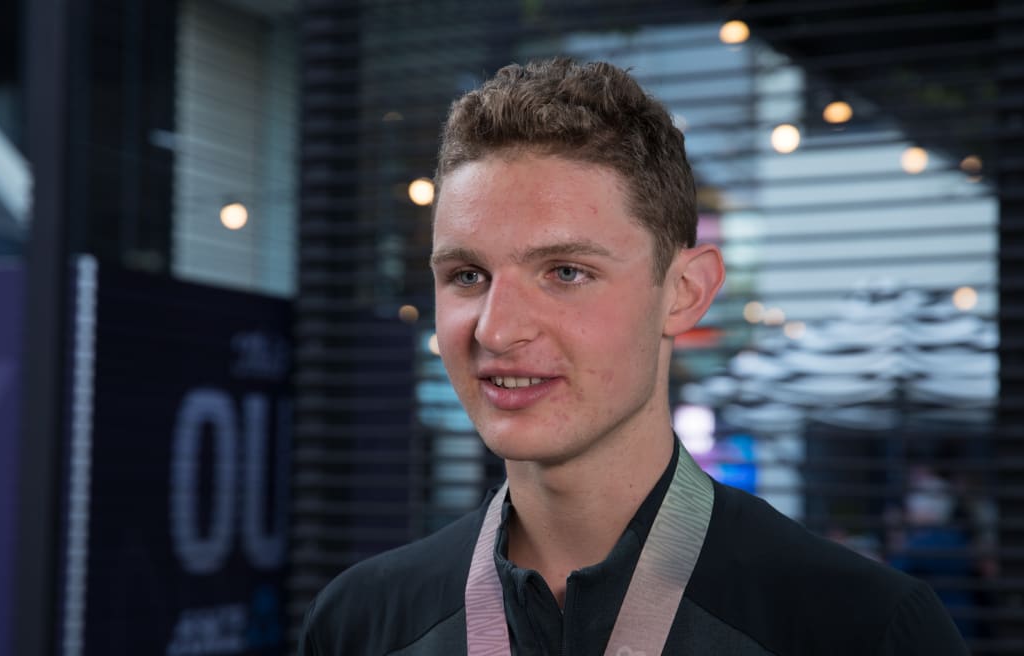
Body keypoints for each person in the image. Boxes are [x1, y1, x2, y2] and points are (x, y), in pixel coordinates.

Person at [298, 58, 968, 656]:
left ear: (684, 293)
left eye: (565, 272)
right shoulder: (359, 625)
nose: (496, 331)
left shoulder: (861, 629)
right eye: (468, 276)